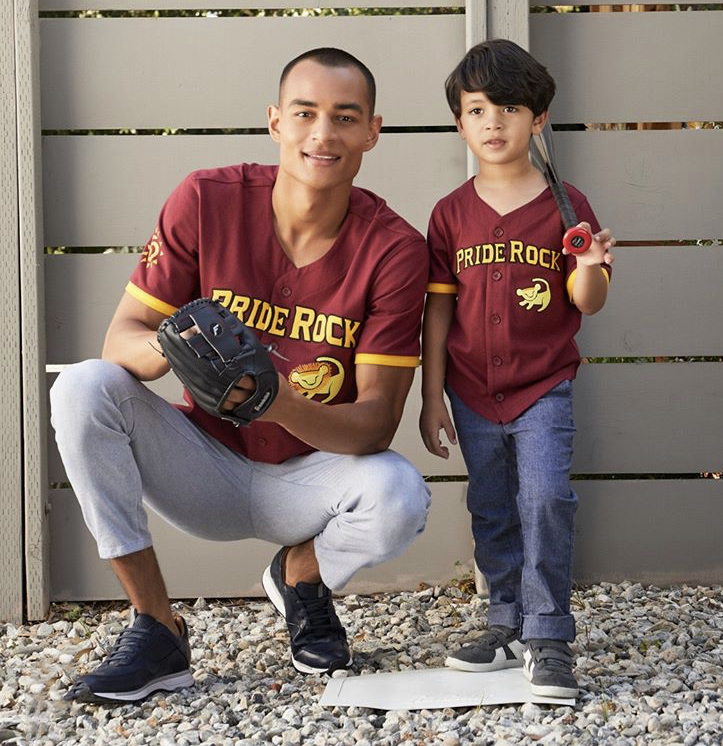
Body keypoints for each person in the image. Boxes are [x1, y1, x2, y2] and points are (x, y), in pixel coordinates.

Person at [50, 47, 431, 704]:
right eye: (305, 113)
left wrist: (274, 399)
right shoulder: (206, 198)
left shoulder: (395, 248)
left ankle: (301, 576)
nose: (322, 133)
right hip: (204, 463)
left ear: (372, 131)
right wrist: (175, 346)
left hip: (311, 477)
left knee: (399, 494)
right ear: (275, 120)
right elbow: (121, 341)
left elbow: (375, 424)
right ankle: (156, 628)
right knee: (82, 387)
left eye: (345, 117)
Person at [419, 39, 615, 698]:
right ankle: (505, 621)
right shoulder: (450, 214)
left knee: (546, 498)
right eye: (477, 110)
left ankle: (549, 633)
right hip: (471, 389)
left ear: (539, 118)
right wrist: (431, 395)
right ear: (460, 124)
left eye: (509, 108)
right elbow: (439, 312)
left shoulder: (567, 205)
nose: (493, 122)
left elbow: (586, 301)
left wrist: (589, 267)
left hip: (542, 387)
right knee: (492, 504)